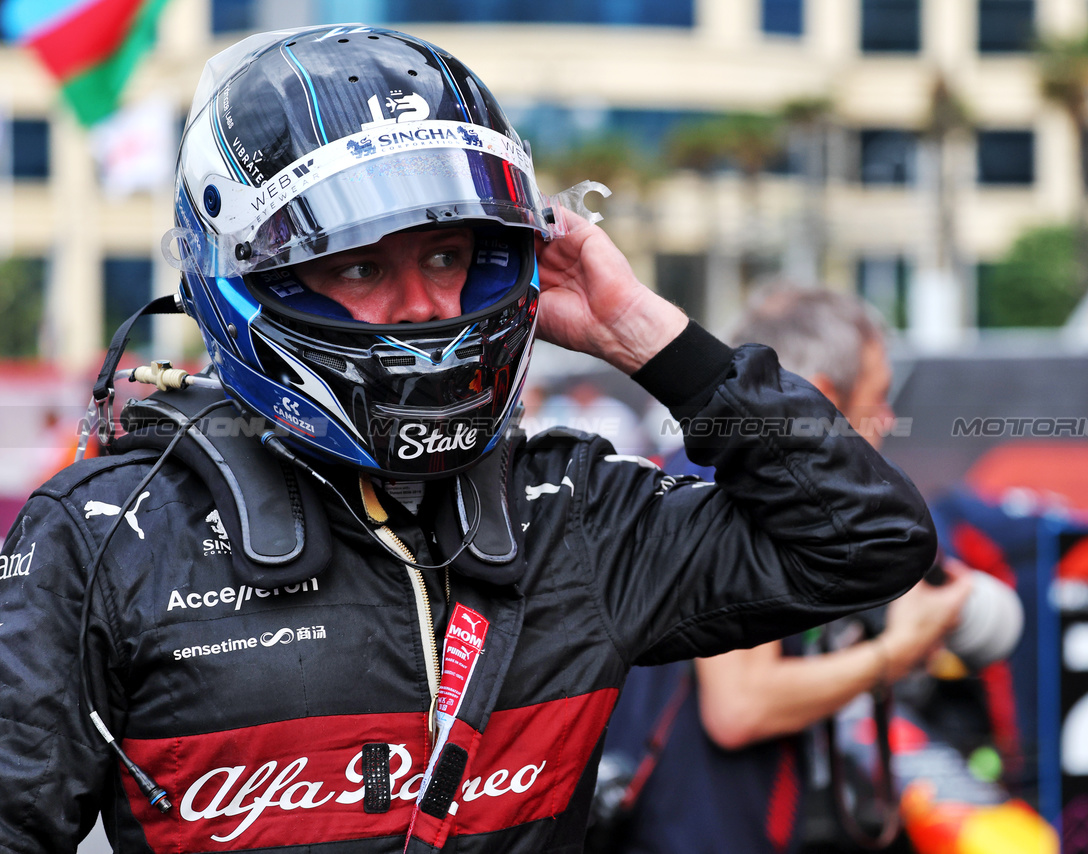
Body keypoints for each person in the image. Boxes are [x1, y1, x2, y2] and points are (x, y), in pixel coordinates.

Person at [0, 26, 937, 854]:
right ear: (253, 281)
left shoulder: (574, 516)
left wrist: (645, 336)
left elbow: (866, 543)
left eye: (449, 256)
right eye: (362, 266)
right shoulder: (104, 538)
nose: (427, 309)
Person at [602, 287, 973, 854]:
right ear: (821, 398)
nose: (890, 419)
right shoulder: (735, 492)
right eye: (878, 397)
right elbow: (741, 707)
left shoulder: (684, 473)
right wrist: (896, 654)